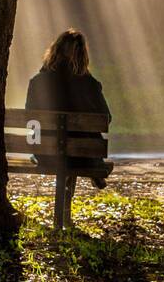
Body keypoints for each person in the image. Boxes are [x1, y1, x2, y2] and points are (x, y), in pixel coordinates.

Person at [25, 29, 112, 217]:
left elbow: (30, 119)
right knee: (74, 145)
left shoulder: (38, 81)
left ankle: (64, 214)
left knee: (65, 144)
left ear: (54, 51)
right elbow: (106, 118)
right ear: (83, 55)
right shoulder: (90, 84)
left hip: (45, 153)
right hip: (82, 155)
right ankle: (93, 169)